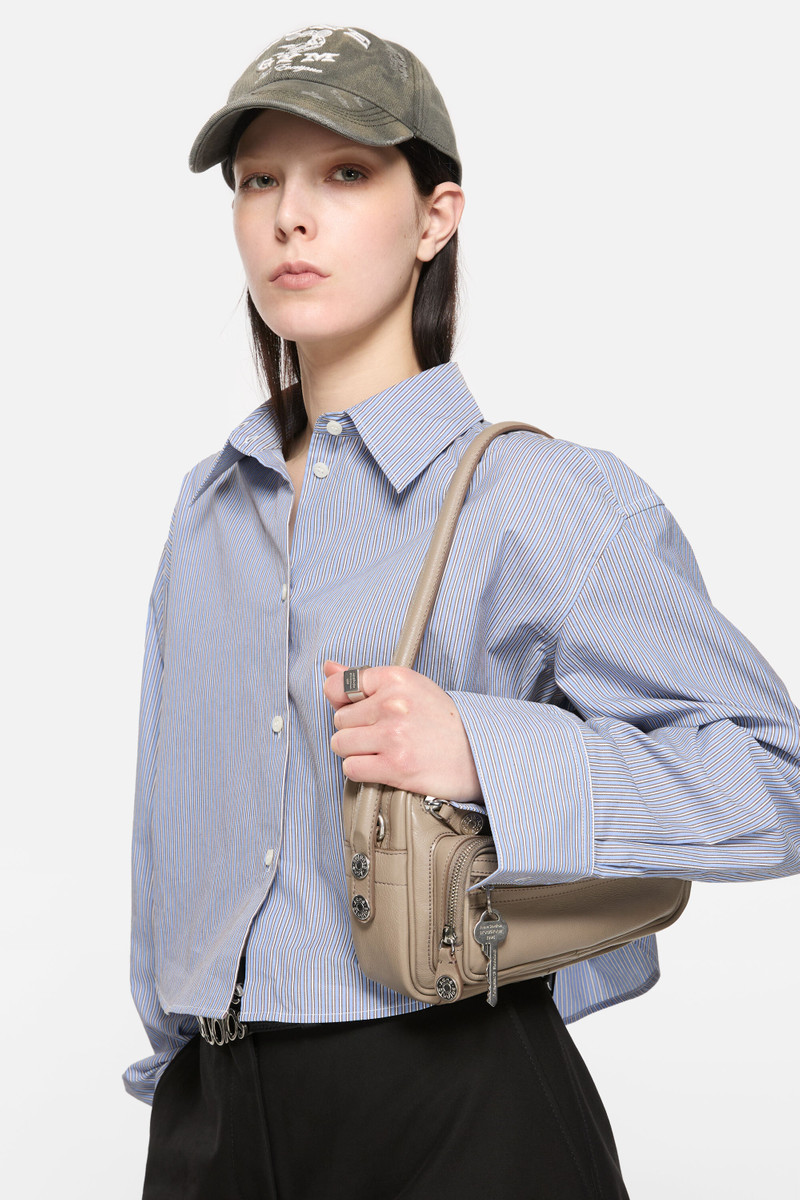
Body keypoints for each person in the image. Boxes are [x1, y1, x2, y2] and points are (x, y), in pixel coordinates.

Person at [124, 23, 800, 1199]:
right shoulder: (209, 506)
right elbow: (164, 826)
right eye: (258, 180)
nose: (290, 217)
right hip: (211, 1119)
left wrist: (485, 751)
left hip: (452, 1105)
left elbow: (772, 777)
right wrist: (180, 1083)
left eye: (343, 173)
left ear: (434, 217)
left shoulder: (536, 499)